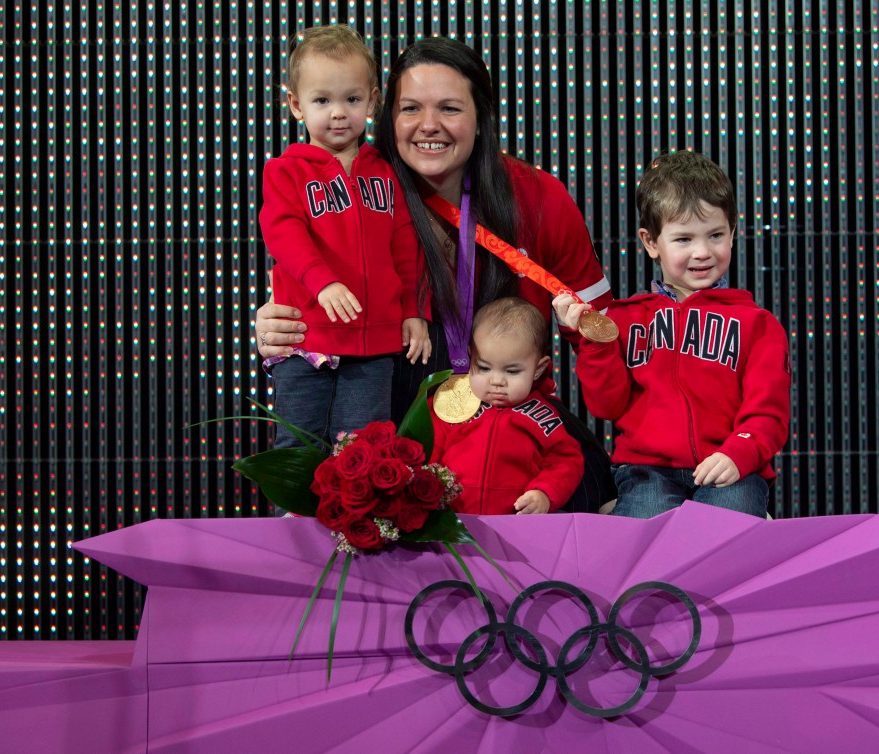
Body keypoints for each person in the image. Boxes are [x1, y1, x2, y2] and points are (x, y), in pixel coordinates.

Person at [255, 37, 615, 512]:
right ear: (388, 115)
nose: (429, 126)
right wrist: (278, 329)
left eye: (449, 108)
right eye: (410, 109)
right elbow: (296, 260)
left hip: (511, 426)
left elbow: (605, 337)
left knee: (598, 497)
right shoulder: (360, 190)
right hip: (393, 416)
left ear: (481, 117)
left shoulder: (538, 197)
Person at [554, 150, 791, 519]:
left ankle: (750, 524)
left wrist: (739, 452)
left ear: (733, 232)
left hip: (730, 469)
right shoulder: (624, 320)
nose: (702, 252)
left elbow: (768, 413)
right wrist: (595, 343)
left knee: (721, 538)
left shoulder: (758, 325)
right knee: (642, 546)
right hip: (648, 472)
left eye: (715, 234)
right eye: (683, 239)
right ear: (651, 242)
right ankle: (624, 515)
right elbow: (606, 405)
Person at [258, 25, 430, 458]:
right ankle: (294, 525)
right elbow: (283, 232)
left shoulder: (386, 172)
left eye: (351, 100)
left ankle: (356, 524)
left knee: (364, 449)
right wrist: (322, 281)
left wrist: (413, 312)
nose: (338, 113)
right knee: (298, 446)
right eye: (322, 100)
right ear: (295, 105)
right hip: (307, 340)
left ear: (372, 101)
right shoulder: (286, 171)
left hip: (374, 346)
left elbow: (405, 248)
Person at [430, 298, 583, 515]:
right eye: (483, 368)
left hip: (515, 523)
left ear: (538, 369)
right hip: (450, 521)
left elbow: (566, 460)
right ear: (470, 356)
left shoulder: (542, 416)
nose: (496, 381)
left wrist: (544, 493)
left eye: (511, 371)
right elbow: (425, 451)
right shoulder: (451, 403)